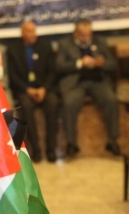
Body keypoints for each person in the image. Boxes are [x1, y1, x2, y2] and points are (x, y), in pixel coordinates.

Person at [55, 18, 120, 157]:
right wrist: (79, 63)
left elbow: (113, 64)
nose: (86, 38)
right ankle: (71, 144)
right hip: (75, 83)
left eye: (88, 34)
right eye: (82, 35)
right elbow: (59, 67)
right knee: (69, 103)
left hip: (98, 82)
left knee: (110, 99)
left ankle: (113, 140)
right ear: (75, 33)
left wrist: (101, 63)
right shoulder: (64, 44)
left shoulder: (100, 42)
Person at [7, 21, 60, 162]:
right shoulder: (13, 49)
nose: (32, 34)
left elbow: (53, 72)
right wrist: (28, 89)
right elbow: (12, 76)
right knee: (25, 106)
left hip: (45, 88)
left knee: (53, 103)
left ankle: (51, 148)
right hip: (24, 89)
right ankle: (35, 149)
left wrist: (44, 88)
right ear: (22, 33)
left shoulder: (46, 46)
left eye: (33, 31)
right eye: (29, 31)